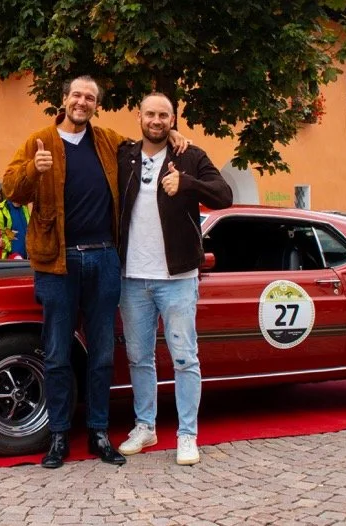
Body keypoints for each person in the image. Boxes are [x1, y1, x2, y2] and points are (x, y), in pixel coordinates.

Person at [2, 75, 188, 469]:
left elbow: (145, 144)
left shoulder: (107, 141)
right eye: (76, 95)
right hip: (58, 262)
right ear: (64, 99)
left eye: (89, 97)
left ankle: (99, 431)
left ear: (96, 104)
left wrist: (173, 135)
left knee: (102, 352)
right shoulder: (39, 141)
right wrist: (33, 170)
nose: (82, 102)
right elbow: (11, 190)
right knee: (56, 353)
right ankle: (57, 435)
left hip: (104, 259)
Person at [114, 93, 232, 465]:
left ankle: (187, 434)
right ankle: (145, 426)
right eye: (150, 113)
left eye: (164, 115)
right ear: (139, 116)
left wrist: (188, 183)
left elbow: (224, 196)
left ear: (173, 119)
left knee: (184, 358)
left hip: (178, 276)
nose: (156, 120)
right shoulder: (125, 156)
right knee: (138, 357)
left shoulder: (190, 156)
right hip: (132, 276)